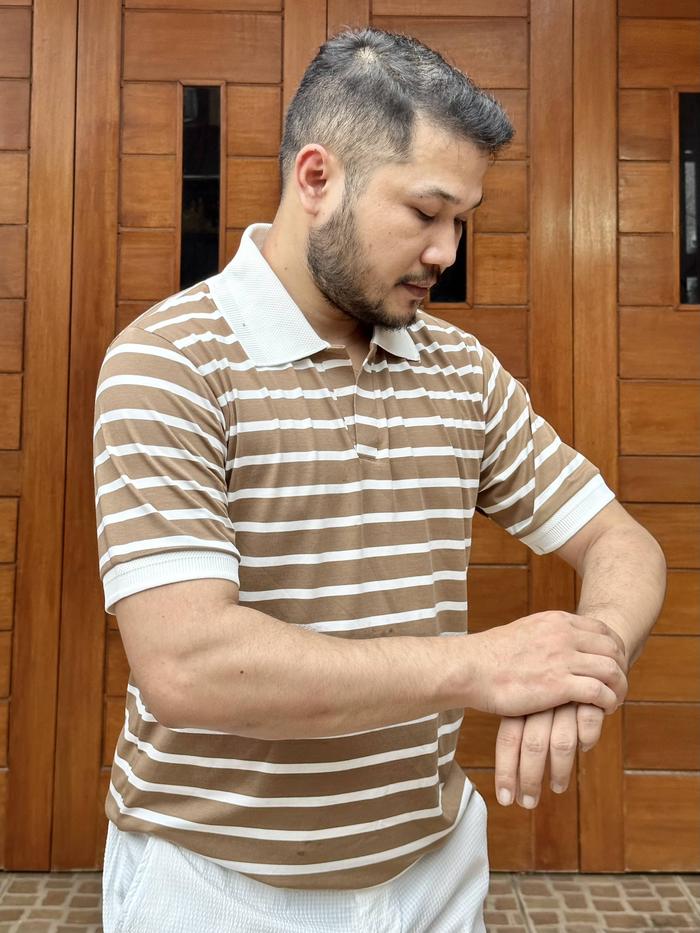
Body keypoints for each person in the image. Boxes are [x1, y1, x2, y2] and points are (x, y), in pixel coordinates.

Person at [94, 27, 666, 933]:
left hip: (433, 870)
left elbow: (620, 542)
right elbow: (187, 666)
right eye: (426, 211)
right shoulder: (170, 363)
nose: (447, 250)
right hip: (219, 885)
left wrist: (585, 662)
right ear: (317, 178)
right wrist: (482, 665)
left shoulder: (462, 370)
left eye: (462, 220)